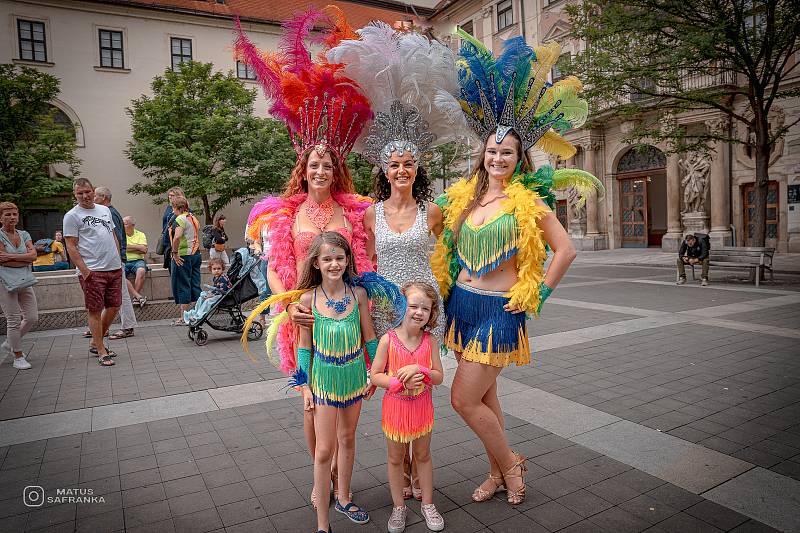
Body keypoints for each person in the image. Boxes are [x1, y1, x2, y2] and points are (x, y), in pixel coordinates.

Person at [433, 32, 600, 505]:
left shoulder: (528, 202)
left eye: (507, 152)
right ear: (483, 155)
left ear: (518, 156)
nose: (498, 158)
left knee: (463, 399)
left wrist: (538, 293)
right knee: (486, 399)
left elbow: (565, 250)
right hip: (461, 304)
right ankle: (497, 472)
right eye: (491, 151)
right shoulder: (466, 196)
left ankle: (511, 464)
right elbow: (426, 225)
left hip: (500, 310)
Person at [235, 9, 374, 516]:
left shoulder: (354, 211)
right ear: (303, 167)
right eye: (313, 162)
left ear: (337, 169)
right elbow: (276, 263)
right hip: (301, 316)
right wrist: (284, 306)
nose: (320, 168)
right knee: (312, 404)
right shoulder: (286, 212)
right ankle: (323, 476)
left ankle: (341, 486)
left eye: (328, 163)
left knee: (348, 411)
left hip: (345, 315)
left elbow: (366, 260)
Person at [329, 25, 462, 501]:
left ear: (416, 168)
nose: (401, 170)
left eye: (408, 163)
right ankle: (400, 474)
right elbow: (363, 259)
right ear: (383, 171)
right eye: (393, 165)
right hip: (387, 310)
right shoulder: (369, 213)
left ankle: (417, 468)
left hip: (425, 308)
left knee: (421, 388)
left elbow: (446, 253)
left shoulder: (434, 211)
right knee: (391, 388)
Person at [242, 233, 402, 533]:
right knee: (325, 450)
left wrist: (373, 374)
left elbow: (369, 338)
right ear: (316, 262)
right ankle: (322, 524)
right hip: (323, 384)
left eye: (340, 258)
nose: (334, 264)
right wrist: (304, 387)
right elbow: (304, 347)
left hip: (354, 379)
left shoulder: (358, 295)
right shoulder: (307, 298)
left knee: (348, 439)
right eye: (327, 259)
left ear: (347, 261)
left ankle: (343, 498)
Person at [370, 282, 445, 533]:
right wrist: (396, 383)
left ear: (431, 313)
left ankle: (428, 504)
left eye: (425, 308)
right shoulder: (387, 340)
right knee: (395, 458)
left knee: (423, 455)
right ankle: (398, 507)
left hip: (422, 409)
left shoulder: (430, 341)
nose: (419, 312)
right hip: (396, 410)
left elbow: (438, 376)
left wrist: (420, 370)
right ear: (401, 306)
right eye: (413, 306)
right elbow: (375, 375)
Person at [63, 178, 122, 366]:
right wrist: (84, 270)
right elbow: (71, 246)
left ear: (93, 190)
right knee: (95, 310)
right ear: (75, 194)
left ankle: (95, 341)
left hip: (114, 267)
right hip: (93, 270)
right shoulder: (72, 216)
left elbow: (112, 234)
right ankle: (101, 349)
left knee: (114, 306)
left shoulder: (104, 210)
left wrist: (118, 257)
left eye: (87, 191)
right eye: (80, 193)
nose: (84, 196)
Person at [94, 187, 138, 341]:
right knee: (118, 294)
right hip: (115, 260)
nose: (93, 199)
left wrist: (117, 259)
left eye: (95, 196)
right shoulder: (108, 212)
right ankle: (103, 327)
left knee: (121, 294)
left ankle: (127, 327)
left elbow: (116, 238)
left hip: (115, 260)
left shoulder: (109, 213)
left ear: (104, 197)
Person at [0, 202, 38, 369]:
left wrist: (10, 257)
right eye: (7, 214)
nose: (12, 217)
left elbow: (34, 256)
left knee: (31, 317)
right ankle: (18, 356)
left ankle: (9, 343)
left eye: (14, 214)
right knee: (13, 319)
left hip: (25, 279)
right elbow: (2, 260)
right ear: (0, 217)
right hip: (4, 281)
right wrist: (24, 257)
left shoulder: (24, 234)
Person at [169, 196, 201, 326]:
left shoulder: (180, 219)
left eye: (173, 207)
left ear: (178, 208)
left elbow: (177, 237)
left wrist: (175, 253)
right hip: (196, 254)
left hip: (183, 256)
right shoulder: (193, 218)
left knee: (183, 285)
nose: (172, 210)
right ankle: (199, 313)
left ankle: (183, 317)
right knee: (195, 284)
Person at [183, 258, 231, 324]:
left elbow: (221, 291)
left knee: (208, 301)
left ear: (222, 269)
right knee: (202, 295)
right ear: (211, 269)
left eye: (219, 269)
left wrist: (211, 295)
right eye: (214, 269)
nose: (216, 271)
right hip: (218, 293)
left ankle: (197, 316)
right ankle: (195, 312)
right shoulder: (216, 277)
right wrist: (210, 293)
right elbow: (216, 288)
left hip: (224, 295)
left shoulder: (223, 278)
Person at [122, 216, 148, 306]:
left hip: (138, 260)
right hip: (124, 261)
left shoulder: (140, 234)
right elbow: (120, 248)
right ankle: (137, 296)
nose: (122, 226)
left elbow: (144, 250)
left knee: (141, 271)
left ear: (132, 225)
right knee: (119, 276)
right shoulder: (120, 235)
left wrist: (127, 247)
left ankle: (135, 298)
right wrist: (138, 247)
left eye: (124, 224)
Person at [160, 187, 185, 270]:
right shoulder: (168, 208)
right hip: (167, 242)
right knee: (171, 269)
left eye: (172, 195)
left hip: (178, 243)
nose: (169, 197)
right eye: (169, 195)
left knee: (178, 271)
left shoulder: (184, 209)